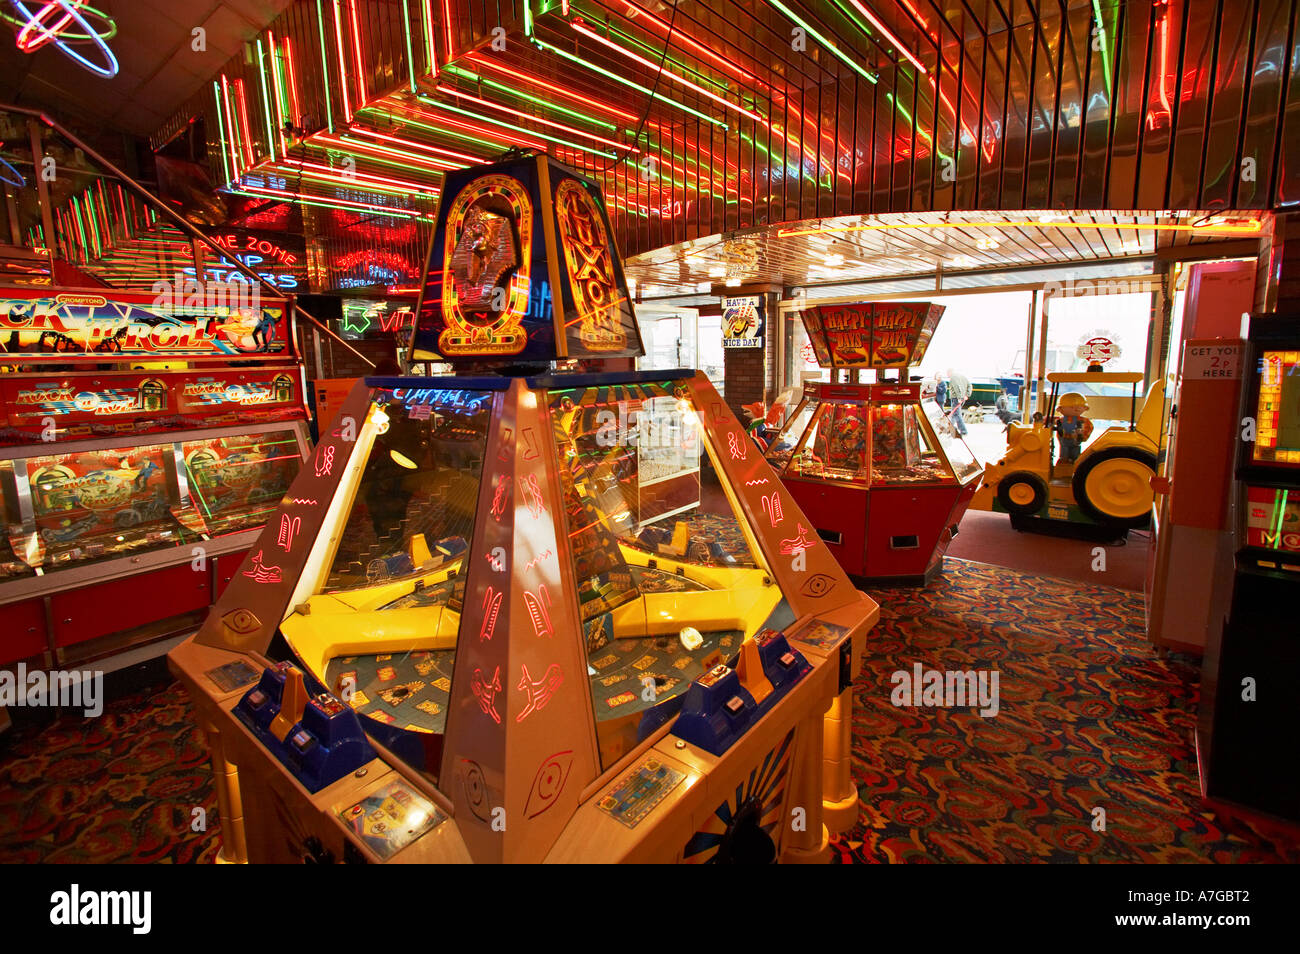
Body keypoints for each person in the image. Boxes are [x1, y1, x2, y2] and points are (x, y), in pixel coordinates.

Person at [1055, 392, 1094, 465]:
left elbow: (1089, 428)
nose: (1076, 408)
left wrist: (1083, 436)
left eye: (1079, 406)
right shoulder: (1060, 420)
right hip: (1064, 440)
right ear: (1060, 409)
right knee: (1064, 453)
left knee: (1075, 454)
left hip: (1076, 440)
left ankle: (1074, 463)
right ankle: (1064, 463)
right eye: (1071, 407)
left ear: (1085, 408)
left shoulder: (1084, 421)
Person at [946, 368, 971, 437]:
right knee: (954, 414)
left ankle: (964, 431)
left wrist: (959, 397)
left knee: (957, 415)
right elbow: (969, 385)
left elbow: (957, 387)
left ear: (950, 372)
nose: (947, 375)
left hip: (956, 398)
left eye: (947, 373)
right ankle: (950, 429)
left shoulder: (953, 378)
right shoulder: (962, 376)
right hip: (962, 398)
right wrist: (967, 395)